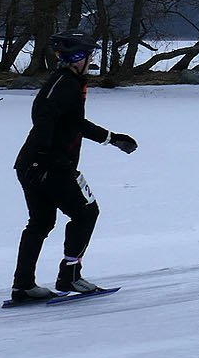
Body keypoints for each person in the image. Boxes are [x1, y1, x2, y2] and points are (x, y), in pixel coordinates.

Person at [10, 28, 138, 303]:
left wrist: (112, 139)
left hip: (32, 165)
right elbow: (43, 116)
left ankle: (23, 285)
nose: (91, 61)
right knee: (86, 213)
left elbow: (74, 124)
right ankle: (70, 276)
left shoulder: (67, 82)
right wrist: (44, 157)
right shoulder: (65, 84)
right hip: (49, 166)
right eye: (89, 56)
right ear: (78, 57)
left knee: (41, 222)